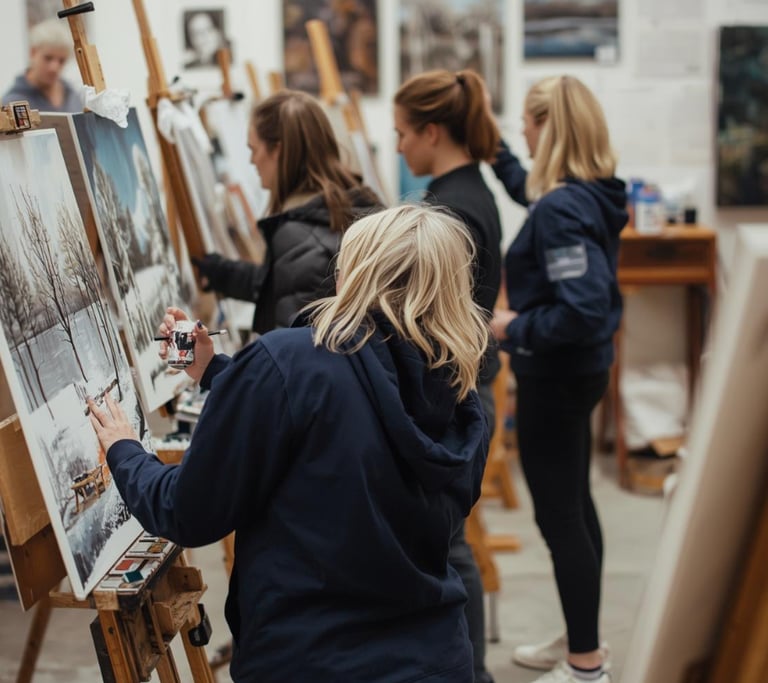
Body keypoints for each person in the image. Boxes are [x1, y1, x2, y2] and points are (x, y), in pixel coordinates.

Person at [89, 204, 491, 683]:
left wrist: (123, 449)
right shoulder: (461, 399)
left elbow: (186, 510)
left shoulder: (291, 360)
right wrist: (218, 372)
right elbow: (347, 420)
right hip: (436, 660)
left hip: (312, 661)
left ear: (354, 277)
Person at [489, 75, 627, 683]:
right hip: (582, 371)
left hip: (558, 376)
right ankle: (583, 633)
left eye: (526, 120)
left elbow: (583, 308)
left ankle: (586, 665)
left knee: (560, 517)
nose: (522, 128)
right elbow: (532, 194)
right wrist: (495, 150)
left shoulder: (565, 207)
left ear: (550, 128)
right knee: (577, 502)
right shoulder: (585, 193)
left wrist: (511, 327)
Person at [394, 68, 502, 683]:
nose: (401, 147)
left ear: (432, 131)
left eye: (405, 133)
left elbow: (434, 315)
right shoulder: (469, 190)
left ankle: (472, 673)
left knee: (451, 547)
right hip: (462, 380)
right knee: (450, 542)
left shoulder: (453, 207)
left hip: (453, 386)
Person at [192, 89, 381, 334]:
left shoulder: (300, 230)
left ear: (277, 150)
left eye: (254, 149)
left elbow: (294, 350)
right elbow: (293, 287)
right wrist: (226, 275)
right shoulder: (356, 202)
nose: (251, 161)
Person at [2, 19, 83, 113]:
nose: (54, 68)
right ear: (32, 52)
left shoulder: (74, 95)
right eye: (48, 58)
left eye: (61, 61)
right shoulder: (11, 104)